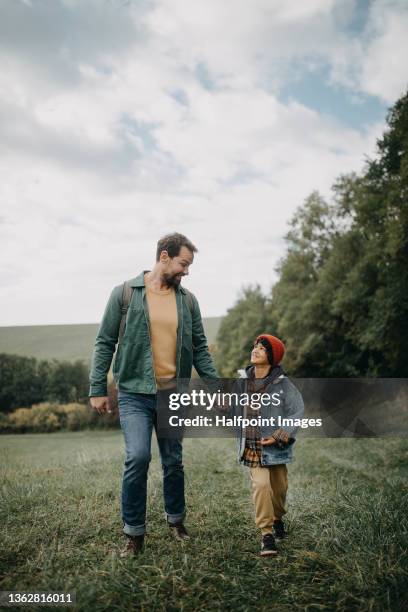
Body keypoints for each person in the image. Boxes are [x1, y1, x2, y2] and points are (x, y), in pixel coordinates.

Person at [89, 232, 218, 555]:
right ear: (164, 256)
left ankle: (176, 520)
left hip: (173, 393)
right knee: (138, 457)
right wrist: (97, 389)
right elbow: (105, 342)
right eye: (183, 263)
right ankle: (134, 533)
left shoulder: (188, 301)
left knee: (173, 461)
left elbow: (200, 347)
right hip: (133, 392)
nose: (186, 271)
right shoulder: (124, 294)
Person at [234, 334, 304, 557]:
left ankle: (277, 518)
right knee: (261, 486)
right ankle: (267, 534)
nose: (255, 350)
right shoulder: (242, 381)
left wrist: (279, 435)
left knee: (279, 489)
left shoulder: (283, 384)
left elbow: (297, 411)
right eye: (255, 346)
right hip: (252, 445)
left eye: (262, 349)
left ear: (272, 357)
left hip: (276, 448)